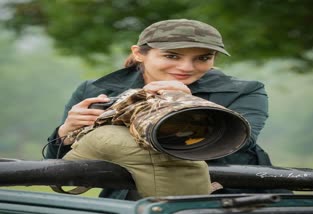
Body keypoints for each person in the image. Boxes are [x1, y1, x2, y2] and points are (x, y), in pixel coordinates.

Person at [45, 19, 273, 199]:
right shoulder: (96, 89)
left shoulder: (245, 91)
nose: (186, 67)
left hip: (232, 198)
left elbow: (240, 143)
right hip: (127, 199)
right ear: (138, 53)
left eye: (203, 58)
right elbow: (60, 161)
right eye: (171, 55)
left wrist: (189, 106)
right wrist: (65, 132)